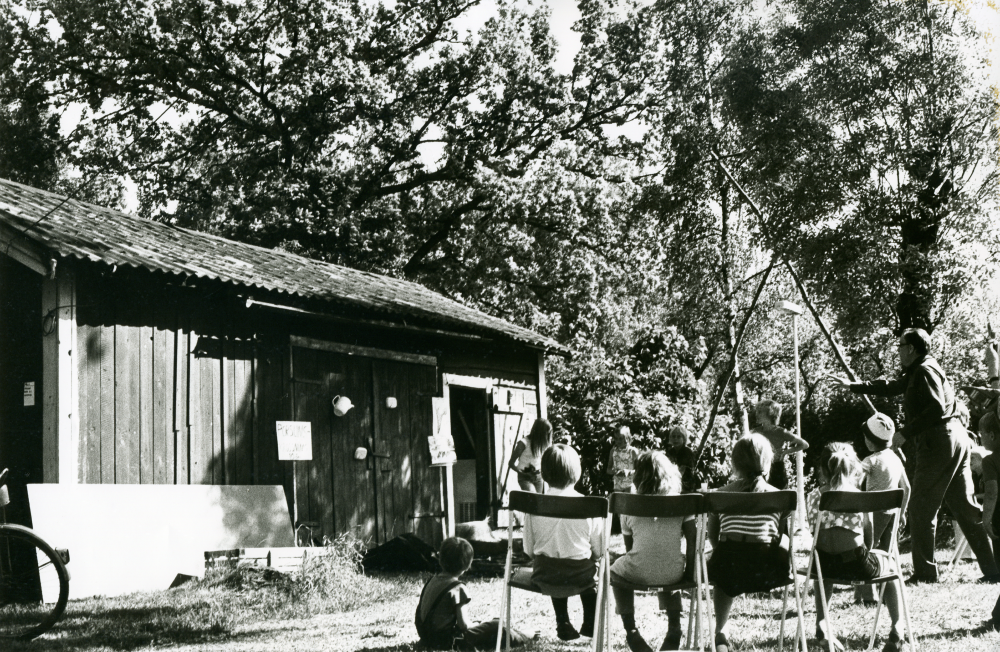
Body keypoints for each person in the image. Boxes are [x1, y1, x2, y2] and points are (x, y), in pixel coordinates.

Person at [833, 328, 999, 583]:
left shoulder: (924, 370)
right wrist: (855, 386)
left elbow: (935, 408)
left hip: (939, 442)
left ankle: (925, 573)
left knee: (920, 508)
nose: (898, 350)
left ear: (911, 348)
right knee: (964, 508)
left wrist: (905, 433)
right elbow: (892, 386)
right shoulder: (921, 368)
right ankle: (993, 570)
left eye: (900, 345)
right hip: (957, 438)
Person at [807, 442, 906, 652]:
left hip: (823, 565)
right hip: (856, 563)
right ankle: (898, 628)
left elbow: (813, 532)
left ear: (823, 469)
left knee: (821, 569)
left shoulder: (814, 496)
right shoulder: (860, 498)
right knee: (890, 564)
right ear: (853, 467)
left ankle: (822, 622)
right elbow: (868, 541)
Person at [706, 434, 792, 652]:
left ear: (734, 464)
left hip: (728, 568)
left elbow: (713, 537)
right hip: (768, 570)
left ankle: (720, 630)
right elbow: (779, 535)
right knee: (783, 543)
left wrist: (727, 551)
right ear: (767, 461)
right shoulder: (781, 497)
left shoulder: (719, 495)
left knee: (723, 559)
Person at [610, 451, 696, 652]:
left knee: (613, 569)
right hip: (673, 574)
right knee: (668, 561)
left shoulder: (627, 502)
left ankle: (631, 631)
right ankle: (674, 627)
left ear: (638, 476)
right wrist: (689, 573)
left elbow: (629, 548)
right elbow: (693, 539)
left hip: (638, 570)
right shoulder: (682, 501)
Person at [522, 444, 605, 641]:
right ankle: (590, 622)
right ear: (576, 471)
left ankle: (562, 621)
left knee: (554, 561)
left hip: (546, 575)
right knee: (588, 573)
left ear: (544, 472)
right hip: (581, 576)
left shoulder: (534, 504)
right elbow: (599, 550)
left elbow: (529, 550)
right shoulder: (589, 505)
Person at [415, 537, 529, 649]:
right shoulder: (457, 588)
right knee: (498, 625)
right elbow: (464, 625)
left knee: (492, 624)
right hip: (446, 640)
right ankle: (528, 636)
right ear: (467, 565)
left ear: (440, 559)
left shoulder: (432, 580)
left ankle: (521, 633)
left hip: (426, 636)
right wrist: (475, 624)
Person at [854, 413, 911, 603]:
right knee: (887, 552)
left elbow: (853, 480)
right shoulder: (895, 459)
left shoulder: (870, 461)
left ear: (870, 441)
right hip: (892, 513)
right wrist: (902, 512)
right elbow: (907, 488)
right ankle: (889, 592)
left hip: (874, 513)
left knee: (864, 550)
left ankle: (868, 595)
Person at [751, 400, 809, 490]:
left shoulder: (781, 432)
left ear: (770, 414)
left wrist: (786, 452)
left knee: (780, 498)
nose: (756, 414)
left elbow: (804, 444)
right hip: (760, 470)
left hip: (777, 470)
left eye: (760, 412)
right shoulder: (755, 432)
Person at [977, 412, 1000, 624]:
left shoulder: (990, 461)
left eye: (981, 433)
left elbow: (992, 492)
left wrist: (986, 518)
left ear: (992, 435)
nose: (979, 438)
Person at [508, 418, 553, 493]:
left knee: (537, 501)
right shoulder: (523, 443)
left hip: (538, 477)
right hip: (525, 477)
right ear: (540, 432)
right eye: (546, 433)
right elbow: (511, 464)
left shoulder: (543, 444)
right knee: (533, 498)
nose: (547, 437)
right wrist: (524, 474)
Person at [607, 426, 640, 494]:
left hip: (630, 485)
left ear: (627, 438)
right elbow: (608, 470)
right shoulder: (613, 451)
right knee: (619, 503)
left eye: (621, 438)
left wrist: (628, 472)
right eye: (616, 438)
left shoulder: (633, 451)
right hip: (617, 485)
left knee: (629, 503)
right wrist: (615, 472)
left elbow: (640, 471)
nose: (618, 441)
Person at [665, 425, 698, 493]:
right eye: (673, 436)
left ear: (684, 438)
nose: (675, 439)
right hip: (672, 484)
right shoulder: (669, 452)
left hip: (686, 486)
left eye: (679, 436)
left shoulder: (687, 452)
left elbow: (682, 471)